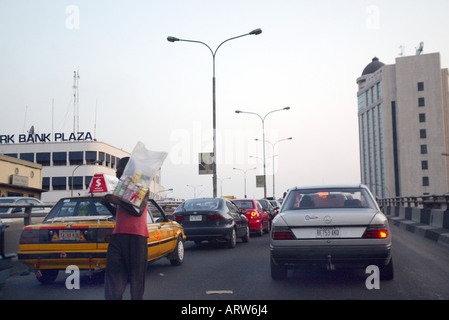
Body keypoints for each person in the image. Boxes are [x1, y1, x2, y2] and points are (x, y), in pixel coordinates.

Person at [101, 157, 149, 300]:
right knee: (112, 275)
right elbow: (120, 214)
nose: (116, 172)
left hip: (136, 237)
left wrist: (117, 201)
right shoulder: (121, 189)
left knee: (136, 278)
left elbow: (137, 211)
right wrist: (108, 204)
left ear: (129, 170)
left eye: (119, 169)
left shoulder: (142, 187)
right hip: (118, 236)